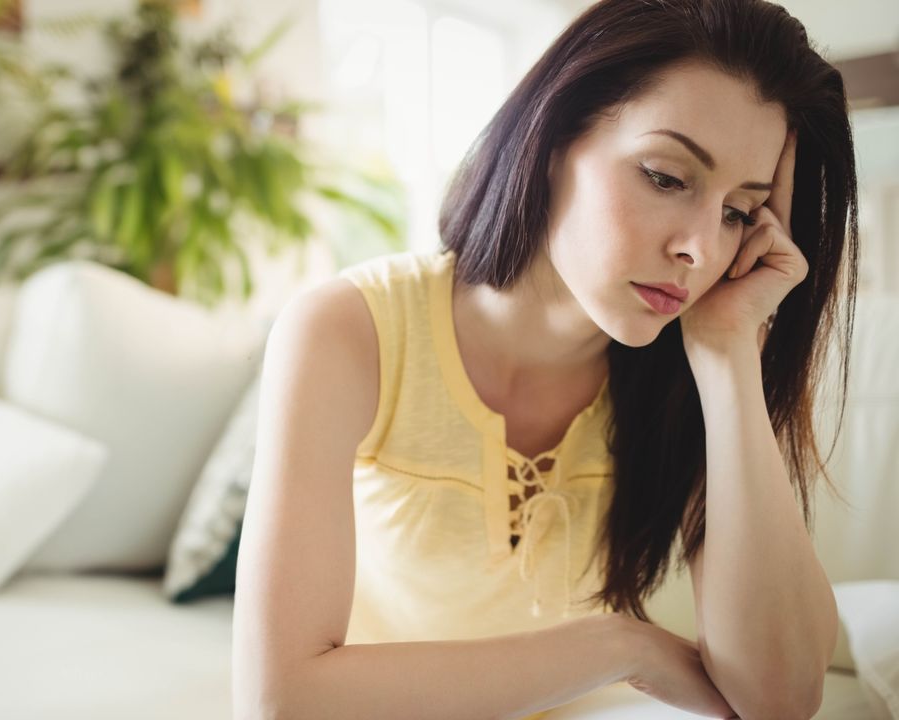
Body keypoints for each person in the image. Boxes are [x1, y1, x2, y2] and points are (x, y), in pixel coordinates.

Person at [232, 0, 859, 718]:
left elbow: (780, 697)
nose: (701, 250)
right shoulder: (348, 332)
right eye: (665, 176)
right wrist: (621, 646)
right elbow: (280, 700)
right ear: (555, 136)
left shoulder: (686, 375)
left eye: (738, 212)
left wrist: (727, 358)